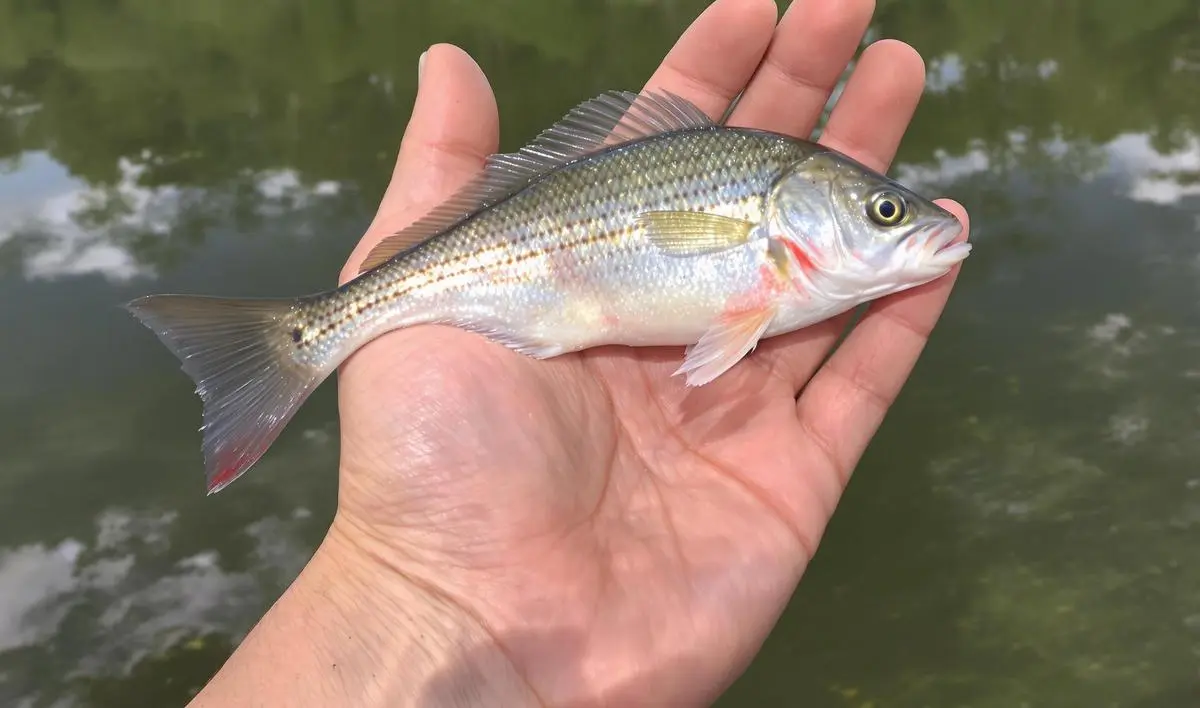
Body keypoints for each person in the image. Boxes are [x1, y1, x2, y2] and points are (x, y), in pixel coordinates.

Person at [188, 0, 970, 705]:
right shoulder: (770, 242)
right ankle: (303, 337)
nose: (908, 226)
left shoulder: (789, 262)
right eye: (884, 212)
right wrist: (415, 587)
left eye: (886, 212)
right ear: (789, 212)